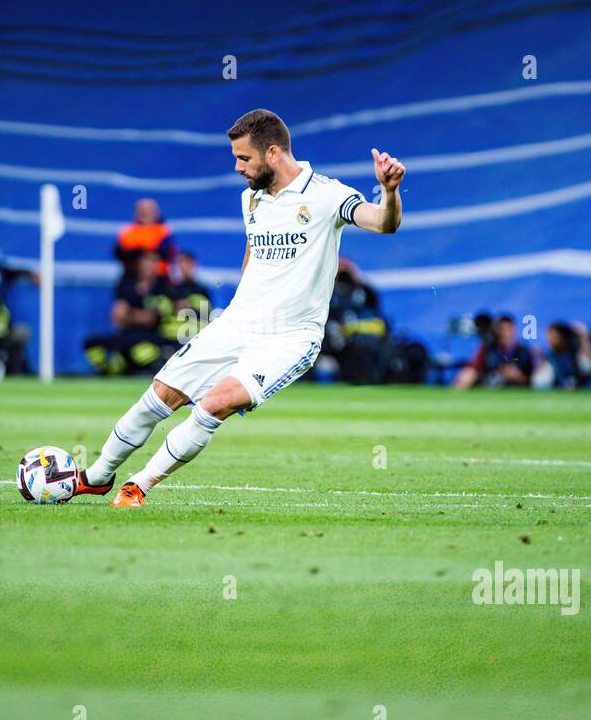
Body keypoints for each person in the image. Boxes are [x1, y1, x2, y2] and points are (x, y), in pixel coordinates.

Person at [75, 108, 405, 507]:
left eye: (243, 158)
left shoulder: (326, 195)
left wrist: (388, 192)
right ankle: (95, 476)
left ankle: (138, 486)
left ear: (272, 154)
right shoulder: (251, 199)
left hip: (291, 337)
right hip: (237, 324)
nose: (237, 167)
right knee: (157, 398)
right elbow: (254, 252)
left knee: (215, 403)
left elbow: (382, 223)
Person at [83, 250, 181, 376]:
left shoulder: (164, 287)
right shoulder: (127, 284)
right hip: (128, 334)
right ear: (139, 264)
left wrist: (130, 314)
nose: (149, 265)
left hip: (152, 336)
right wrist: (137, 315)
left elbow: (150, 319)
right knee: (91, 343)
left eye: (153, 261)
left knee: (143, 351)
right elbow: (117, 317)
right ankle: (107, 371)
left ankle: (148, 368)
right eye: (146, 261)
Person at [453, 313, 534, 388]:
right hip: (489, 382)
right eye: (502, 329)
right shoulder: (489, 348)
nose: (505, 333)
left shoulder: (522, 350)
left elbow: (529, 378)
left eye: (508, 329)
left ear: (513, 330)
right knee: (468, 374)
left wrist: (515, 374)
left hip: (513, 386)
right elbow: (475, 366)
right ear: (497, 330)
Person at [114, 197, 178, 278]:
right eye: (141, 209)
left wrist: (144, 254)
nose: (145, 212)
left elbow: (168, 253)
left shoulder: (165, 231)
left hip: (160, 277)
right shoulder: (127, 231)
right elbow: (119, 253)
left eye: (149, 209)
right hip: (131, 275)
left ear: (156, 212)